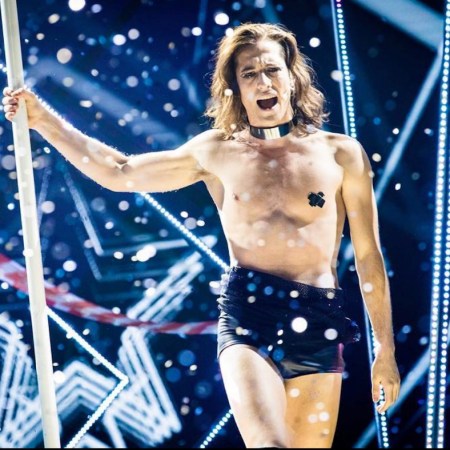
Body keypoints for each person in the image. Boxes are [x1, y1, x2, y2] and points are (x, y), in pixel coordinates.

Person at [2, 22, 400, 448]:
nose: (263, 82)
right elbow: (118, 171)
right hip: (249, 317)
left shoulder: (341, 154)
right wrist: (42, 119)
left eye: (272, 70)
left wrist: (385, 349)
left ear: (292, 76)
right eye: (249, 74)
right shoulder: (216, 151)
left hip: (319, 321)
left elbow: (368, 256)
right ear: (236, 88)